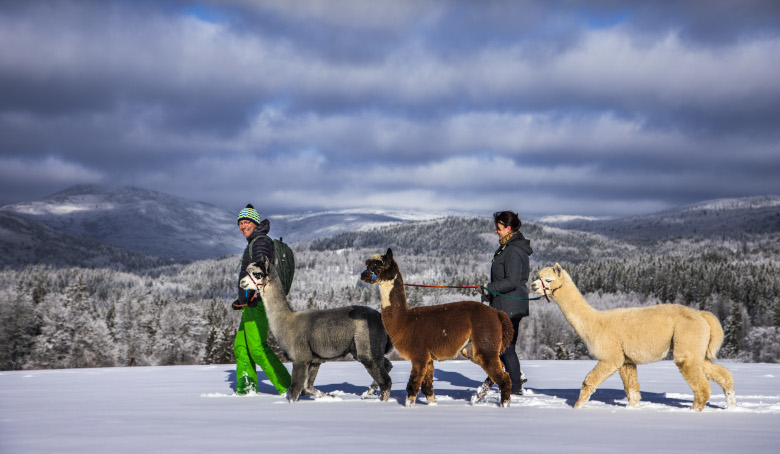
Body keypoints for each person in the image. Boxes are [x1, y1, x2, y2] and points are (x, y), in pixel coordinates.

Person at [231, 204, 291, 396]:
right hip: (249, 303)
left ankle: (289, 386)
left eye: (246, 222)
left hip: (257, 303)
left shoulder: (260, 242)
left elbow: (260, 270)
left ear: (255, 223)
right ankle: (247, 387)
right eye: (240, 223)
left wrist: (248, 297)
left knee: (257, 348)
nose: (243, 226)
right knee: (241, 346)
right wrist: (242, 299)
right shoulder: (254, 241)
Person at [481, 211, 533, 395]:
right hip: (505, 304)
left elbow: (512, 281)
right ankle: (514, 379)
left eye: (499, 228)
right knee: (502, 347)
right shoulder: (507, 247)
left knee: (506, 348)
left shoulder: (513, 251)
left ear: (508, 228)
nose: (496, 231)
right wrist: (488, 292)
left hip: (510, 306)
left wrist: (489, 288)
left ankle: (516, 387)